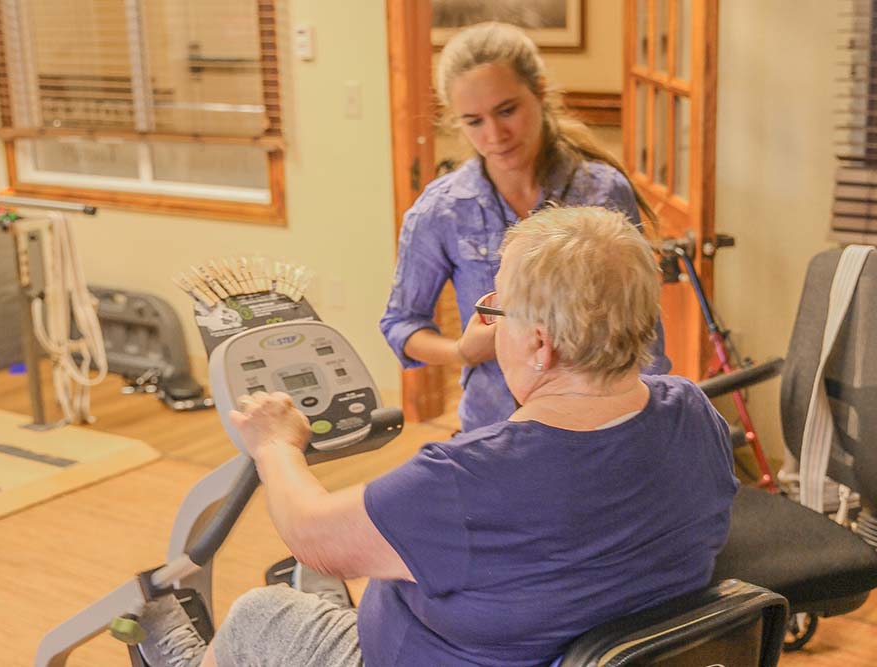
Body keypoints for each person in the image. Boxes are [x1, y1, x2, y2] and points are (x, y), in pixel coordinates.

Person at [137, 206, 737, 667]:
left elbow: (313, 537)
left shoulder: (465, 481)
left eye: (500, 309)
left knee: (258, 614)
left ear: (539, 344)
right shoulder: (693, 414)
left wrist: (275, 445)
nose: (490, 323)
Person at [380, 21, 671, 433]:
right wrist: (463, 350)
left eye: (506, 110)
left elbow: (644, 324)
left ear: (539, 90)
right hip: (494, 428)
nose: (495, 135)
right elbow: (401, 324)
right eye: (473, 121)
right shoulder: (441, 210)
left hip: (605, 428)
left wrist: (650, 419)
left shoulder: (602, 190)